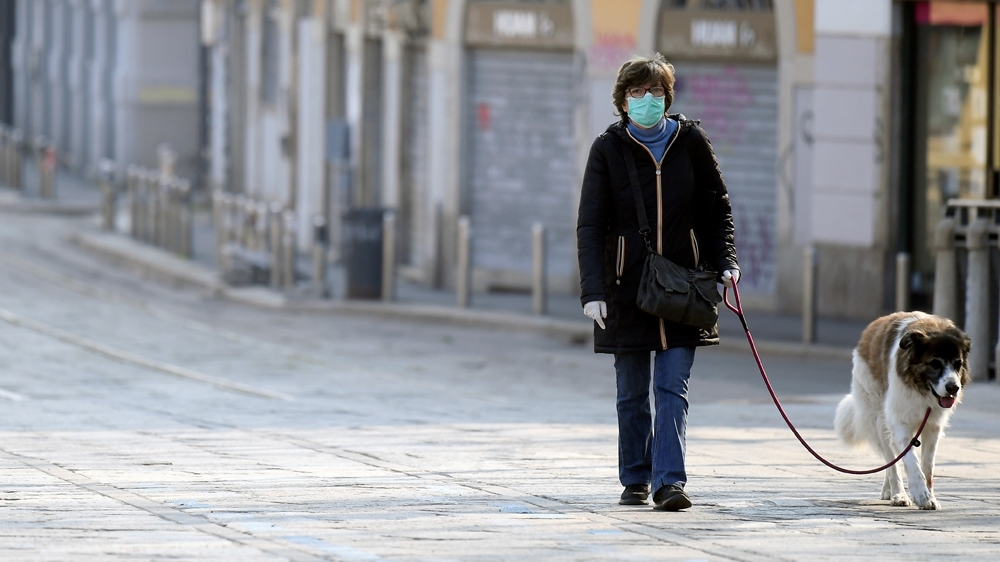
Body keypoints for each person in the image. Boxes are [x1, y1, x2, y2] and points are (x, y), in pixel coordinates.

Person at [576, 54, 740, 511]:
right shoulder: (607, 149)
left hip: (685, 287)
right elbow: (590, 225)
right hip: (625, 288)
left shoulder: (692, 142)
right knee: (631, 394)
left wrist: (725, 261)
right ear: (622, 99)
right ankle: (635, 475)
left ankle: (669, 482)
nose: (646, 99)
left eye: (654, 91)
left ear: (668, 97)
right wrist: (593, 291)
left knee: (672, 389)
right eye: (636, 92)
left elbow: (718, 209)